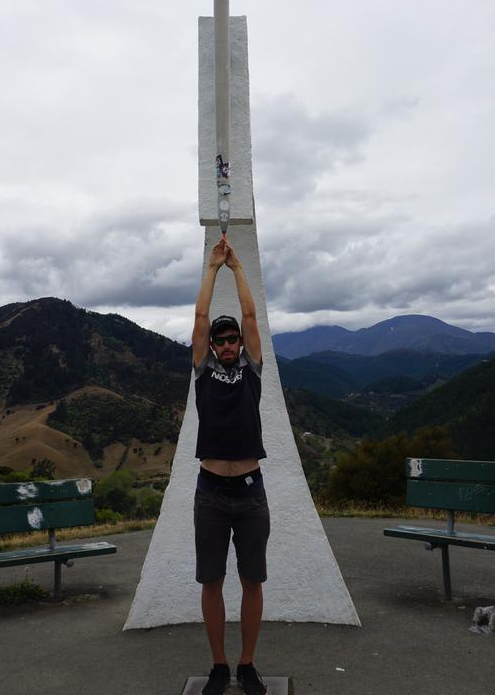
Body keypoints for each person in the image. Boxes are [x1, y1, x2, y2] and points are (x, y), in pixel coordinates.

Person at [192, 236, 269, 695]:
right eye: (220, 339)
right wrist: (212, 268)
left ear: (239, 342)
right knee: (212, 581)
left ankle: (248, 663)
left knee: (252, 581)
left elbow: (251, 316)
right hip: (211, 493)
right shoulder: (202, 370)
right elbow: (200, 317)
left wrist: (238, 268)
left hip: (251, 492)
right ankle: (219, 664)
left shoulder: (253, 368)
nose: (224, 343)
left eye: (231, 338)